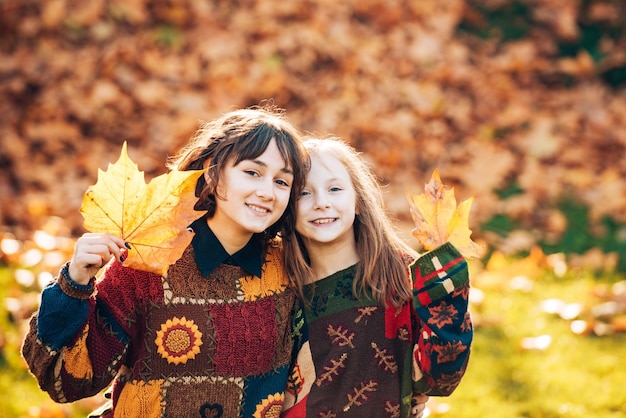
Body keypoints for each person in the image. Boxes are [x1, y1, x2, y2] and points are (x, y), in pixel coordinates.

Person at [22, 106, 310, 417]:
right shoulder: (150, 262)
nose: (267, 192)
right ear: (212, 173)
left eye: (282, 182)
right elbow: (67, 382)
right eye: (252, 172)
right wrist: (73, 284)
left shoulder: (290, 270)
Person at [280, 137, 473, 418]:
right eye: (303, 193)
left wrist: (447, 295)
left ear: (358, 201)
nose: (321, 203)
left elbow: (438, 378)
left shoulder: (400, 275)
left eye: (334, 189)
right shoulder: (281, 286)